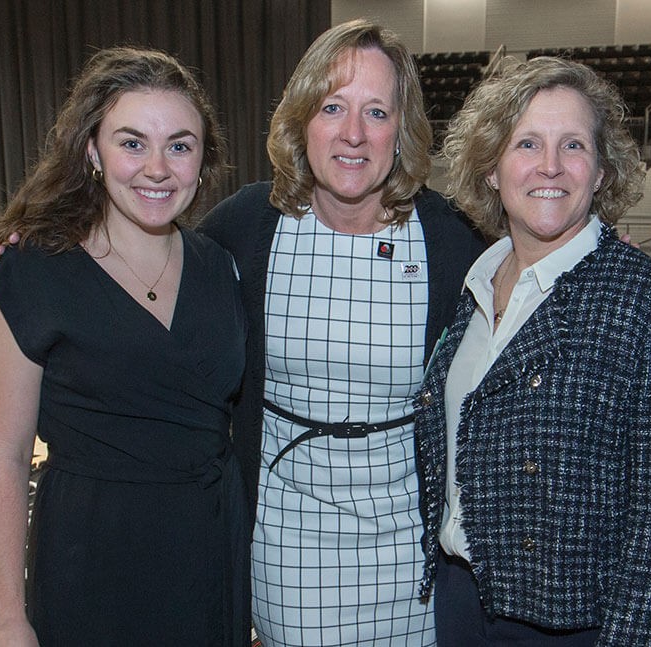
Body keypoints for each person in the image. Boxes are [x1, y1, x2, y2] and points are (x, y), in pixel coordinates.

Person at [198, 19, 485, 647]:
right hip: (288, 532)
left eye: (376, 112)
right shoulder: (248, 224)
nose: (353, 134)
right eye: (333, 107)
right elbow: (151, 267)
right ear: (302, 119)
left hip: (411, 544)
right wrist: (56, 241)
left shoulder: (449, 238)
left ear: (401, 131)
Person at [412, 55, 651, 646]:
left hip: (571, 626)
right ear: (493, 168)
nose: (550, 166)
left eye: (573, 145)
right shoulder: (471, 286)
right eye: (527, 144)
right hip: (459, 600)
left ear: (600, 172)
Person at [0, 47, 248, 646]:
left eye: (179, 145)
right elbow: (2, 455)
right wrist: (5, 617)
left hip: (209, 555)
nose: (157, 167)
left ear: (202, 159)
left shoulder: (221, 267)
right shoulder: (33, 269)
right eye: (131, 143)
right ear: (92, 152)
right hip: (90, 561)